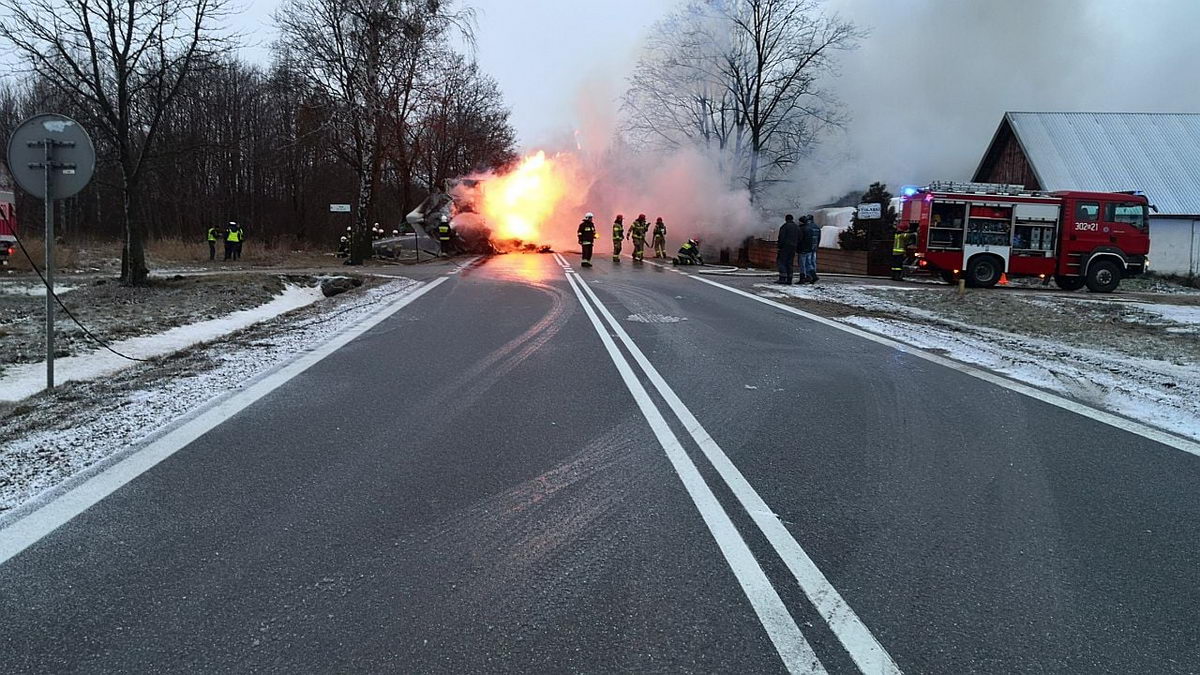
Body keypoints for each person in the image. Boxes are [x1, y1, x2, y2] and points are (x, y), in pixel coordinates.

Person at [776, 214, 800, 284]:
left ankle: (782, 278)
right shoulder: (797, 227)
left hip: (784, 248)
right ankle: (789, 278)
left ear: (786, 219)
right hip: (793, 248)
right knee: (790, 263)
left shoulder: (784, 227)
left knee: (782, 262)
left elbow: (781, 238)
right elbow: (800, 238)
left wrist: (779, 246)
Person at [799, 215, 821, 283]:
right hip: (814, 248)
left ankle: (808, 276)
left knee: (805, 263)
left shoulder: (808, 227)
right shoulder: (817, 227)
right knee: (812, 262)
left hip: (807, 248)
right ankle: (813, 275)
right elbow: (819, 238)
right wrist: (816, 246)